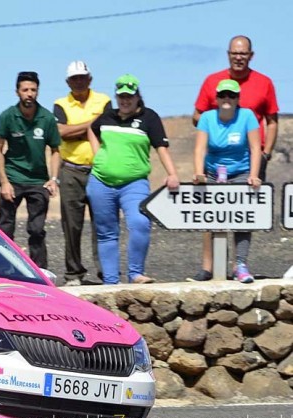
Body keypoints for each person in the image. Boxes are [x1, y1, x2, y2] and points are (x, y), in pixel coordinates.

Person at [87, 74, 179, 285]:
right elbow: (91, 130)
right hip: (101, 182)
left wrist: (172, 173)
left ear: (138, 96)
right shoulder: (107, 116)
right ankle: (110, 281)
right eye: (121, 96)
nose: (125, 100)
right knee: (106, 232)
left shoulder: (149, 117)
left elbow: (161, 147)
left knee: (140, 223)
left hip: (134, 183)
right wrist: (97, 155)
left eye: (129, 96)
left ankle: (135, 273)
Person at [190, 79, 262, 283]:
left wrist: (254, 175)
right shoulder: (207, 118)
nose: (227, 99)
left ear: (238, 98)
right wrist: (198, 173)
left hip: (240, 171)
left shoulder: (247, 116)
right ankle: (212, 267)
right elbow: (200, 149)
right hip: (213, 172)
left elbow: (255, 148)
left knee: (242, 218)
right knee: (212, 219)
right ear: (217, 98)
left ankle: (240, 264)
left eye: (231, 95)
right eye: (223, 95)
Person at [0, 71, 61, 270]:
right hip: (13, 177)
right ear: (17, 92)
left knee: (37, 229)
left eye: (33, 90)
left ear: (38, 92)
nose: (29, 94)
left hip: (38, 180)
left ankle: (40, 272)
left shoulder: (47, 118)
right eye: (25, 90)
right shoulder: (7, 116)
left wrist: (54, 178)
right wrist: (4, 181)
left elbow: (56, 150)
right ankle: (0, 270)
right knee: (5, 227)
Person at [53, 61, 110, 286]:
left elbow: (104, 128)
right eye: (74, 78)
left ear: (90, 79)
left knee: (103, 223)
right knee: (72, 225)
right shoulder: (60, 104)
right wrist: (90, 125)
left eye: (82, 77)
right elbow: (60, 132)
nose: (79, 81)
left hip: (99, 170)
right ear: (68, 81)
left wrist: (77, 129)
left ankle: (107, 272)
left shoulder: (103, 100)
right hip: (71, 170)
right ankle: (73, 273)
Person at [193, 35, 278, 182]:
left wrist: (266, 153)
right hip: (217, 156)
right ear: (228, 54)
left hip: (252, 157)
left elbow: (272, 122)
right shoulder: (212, 81)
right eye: (234, 53)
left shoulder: (264, 83)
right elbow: (197, 117)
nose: (238, 57)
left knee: (251, 201)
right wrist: (222, 128)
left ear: (251, 55)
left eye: (243, 53)